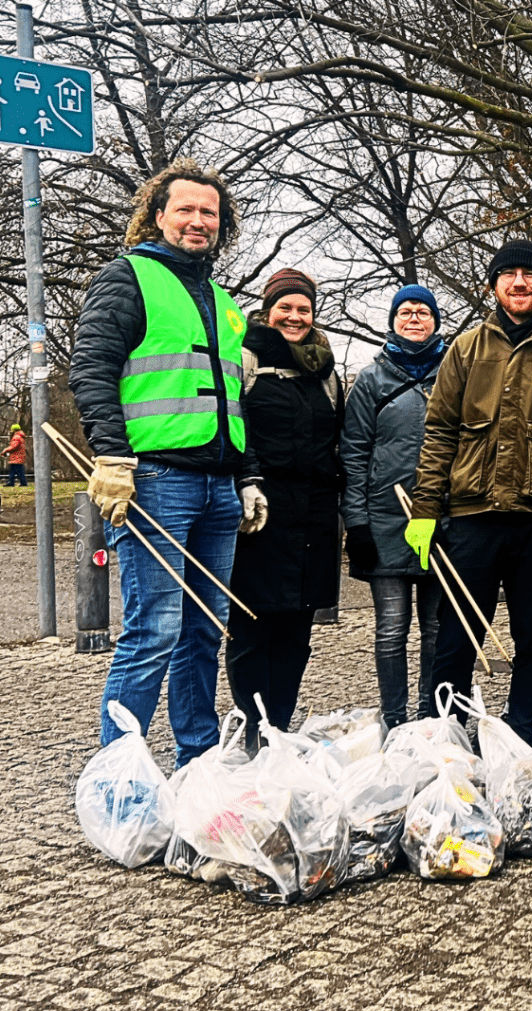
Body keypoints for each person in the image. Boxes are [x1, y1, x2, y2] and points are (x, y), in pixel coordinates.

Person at [68, 158, 267, 769]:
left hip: (218, 486)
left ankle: (196, 765)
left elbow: (231, 400)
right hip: (154, 480)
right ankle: (118, 775)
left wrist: (249, 475)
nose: (197, 220)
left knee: (205, 633)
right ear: (158, 215)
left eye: (209, 212)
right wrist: (111, 455)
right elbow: (92, 367)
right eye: (185, 209)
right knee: (154, 631)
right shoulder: (128, 277)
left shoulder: (223, 302)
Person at [405, 239, 532, 747]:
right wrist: (425, 508)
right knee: (455, 641)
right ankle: (443, 741)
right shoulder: (466, 349)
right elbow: (440, 433)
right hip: (473, 518)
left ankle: (521, 741)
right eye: (509, 273)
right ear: (493, 284)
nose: (520, 282)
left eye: (531, 274)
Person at [225, 268, 345, 752]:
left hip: (315, 512)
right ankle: (252, 729)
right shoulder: (245, 358)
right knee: (253, 626)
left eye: (304, 309)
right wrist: (247, 481)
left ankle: (280, 726)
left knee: (297, 630)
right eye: (286, 308)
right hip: (262, 511)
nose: (295, 317)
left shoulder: (327, 370)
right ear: (268, 309)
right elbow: (233, 425)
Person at [341, 284, 447, 728]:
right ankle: (395, 719)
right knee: (391, 629)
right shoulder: (371, 380)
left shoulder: (453, 372)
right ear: (392, 320)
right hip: (386, 518)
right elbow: (353, 451)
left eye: (423, 312)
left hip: (442, 517)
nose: (414, 319)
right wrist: (357, 522)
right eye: (405, 312)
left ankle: (433, 716)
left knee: (439, 630)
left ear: (436, 321)